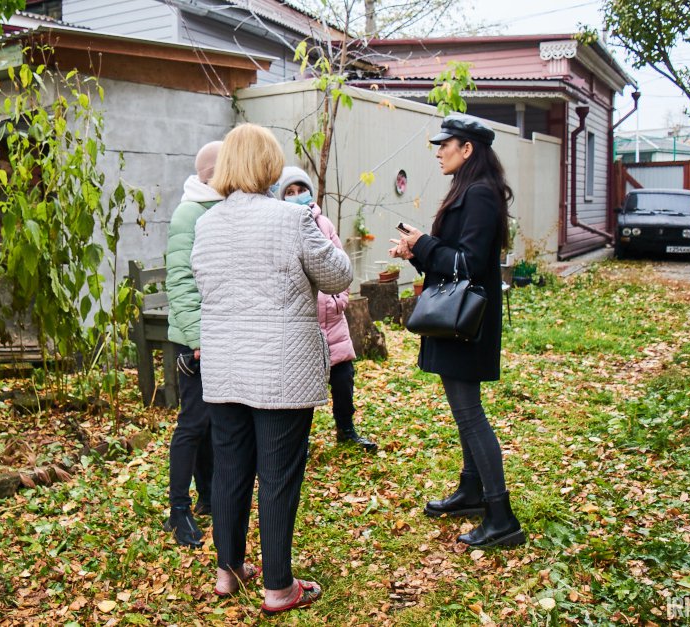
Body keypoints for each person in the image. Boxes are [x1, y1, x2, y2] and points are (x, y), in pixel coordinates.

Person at [191, 124, 353, 614]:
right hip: (280, 369)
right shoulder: (291, 219)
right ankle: (279, 587)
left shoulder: (206, 224)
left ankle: (229, 569)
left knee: (231, 469)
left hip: (224, 366)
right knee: (279, 475)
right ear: (268, 166)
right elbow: (338, 275)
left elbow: (203, 284)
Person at [390, 114, 525, 548]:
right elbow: (450, 261)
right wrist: (416, 251)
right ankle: (471, 491)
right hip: (457, 319)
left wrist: (424, 243)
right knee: (464, 412)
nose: (438, 150)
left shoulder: (481, 195)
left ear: (467, 149)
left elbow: (467, 265)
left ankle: (501, 517)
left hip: (467, 321)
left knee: (469, 415)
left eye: (445, 144)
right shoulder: (468, 190)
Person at [274, 166, 377, 453]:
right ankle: (299, 441)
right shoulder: (281, 228)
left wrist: (339, 300)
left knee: (343, 380)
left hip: (332, 321)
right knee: (302, 388)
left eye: (301, 190)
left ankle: (346, 430)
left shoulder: (324, 224)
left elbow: (341, 263)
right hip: (303, 324)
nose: (297, 196)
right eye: (290, 192)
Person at [162, 140, 223, 548]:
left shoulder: (219, 207)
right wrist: (199, 338)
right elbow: (180, 282)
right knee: (193, 423)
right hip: (194, 342)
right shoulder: (191, 212)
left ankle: (208, 498)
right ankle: (177, 511)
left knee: (211, 423)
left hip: (220, 337)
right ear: (211, 174)